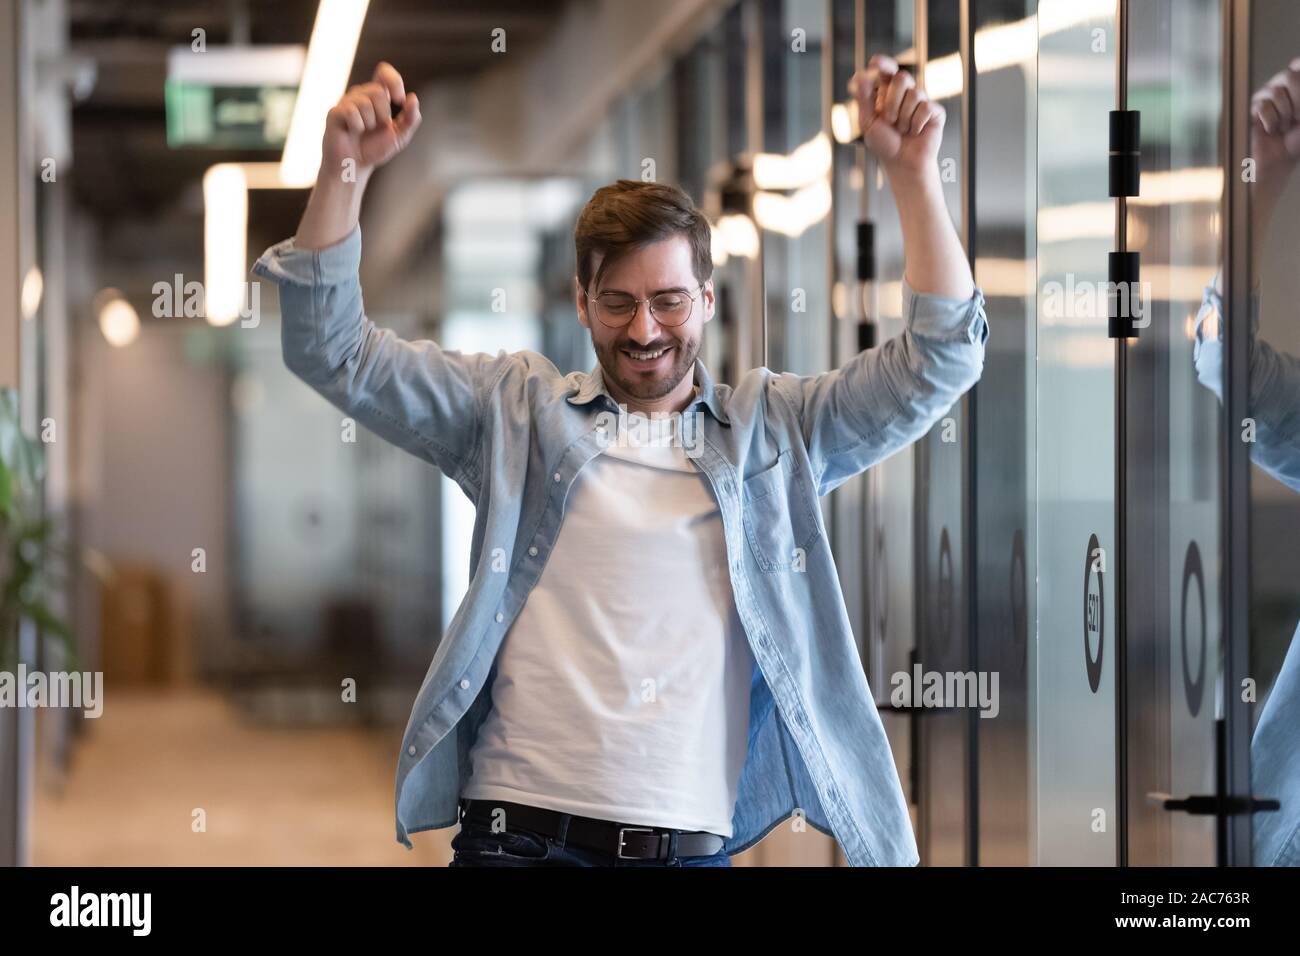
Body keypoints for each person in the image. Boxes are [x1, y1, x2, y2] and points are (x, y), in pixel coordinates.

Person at [251, 56, 987, 867]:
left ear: (708, 299)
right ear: (581, 302)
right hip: (515, 841)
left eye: (669, 300)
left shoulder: (776, 434)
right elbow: (333, 350)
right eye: (618, 303)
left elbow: (939, 361)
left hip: (684, 850)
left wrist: (915, 176)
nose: (644, 331)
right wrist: (344, 172)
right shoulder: (514, 414)